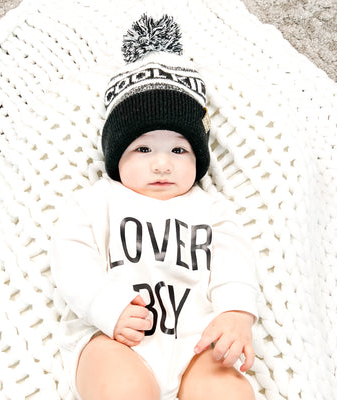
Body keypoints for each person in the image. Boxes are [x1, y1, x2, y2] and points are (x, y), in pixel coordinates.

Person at [50, 14, 259, 400]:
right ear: (117, 156)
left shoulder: (212, 210)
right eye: (143, 149)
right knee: (121, 389)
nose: (162, 164)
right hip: (114, 336)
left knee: (228, 391)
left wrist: (236, 313)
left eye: (179, 150)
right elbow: (71, 258)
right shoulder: (98, 201)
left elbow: (236, 264)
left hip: (199, 342)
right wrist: (106, 305)